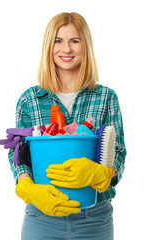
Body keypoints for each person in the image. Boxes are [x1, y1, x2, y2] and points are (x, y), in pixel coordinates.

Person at [8, 12, 126, 240]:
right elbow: (19, 156)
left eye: (75, 41)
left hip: (94, 219)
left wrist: (103, 173)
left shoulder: (106, 97)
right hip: (41, 219)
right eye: (58, 41)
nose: (67, 49)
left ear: (85, 45)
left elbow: (118, 153)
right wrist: (27, 187)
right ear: (49, 46)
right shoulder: (30, 99)